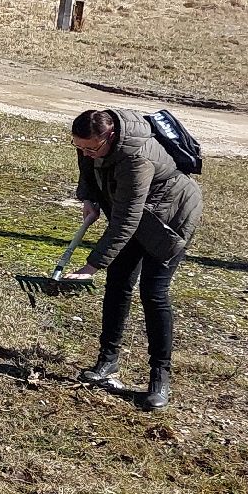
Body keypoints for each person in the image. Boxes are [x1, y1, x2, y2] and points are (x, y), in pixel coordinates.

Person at [64, 108, 203, 411]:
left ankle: (159, 378)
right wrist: (88, 199)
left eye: (91, 148)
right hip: (136, 210)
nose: (85, 153)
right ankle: (107, 361)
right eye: (79, 147)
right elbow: (89, 170)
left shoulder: (136, 158)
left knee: (153, 293)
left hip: (170, 218)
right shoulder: (92, 143)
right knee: (118, 283)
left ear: (111, 136)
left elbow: (127, 220)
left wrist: (91, 266)